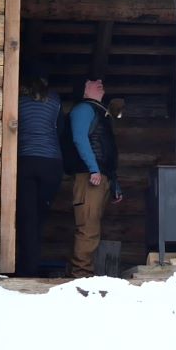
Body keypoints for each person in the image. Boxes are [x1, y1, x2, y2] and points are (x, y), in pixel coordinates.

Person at [67, 78, 122, 278]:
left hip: (100, 176)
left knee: (92, 227)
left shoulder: (100, 111)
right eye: (92, 81)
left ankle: (83, 272)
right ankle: (81, 276)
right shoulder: (83, 109)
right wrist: (93, 169)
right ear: (83, 89)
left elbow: (107, 150)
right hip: (90, 177)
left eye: (100, 80)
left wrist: (114, 182)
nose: (99, 82)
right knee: (88, 228)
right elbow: (79, 138)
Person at [15, 62, 64, 277]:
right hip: (51, 164)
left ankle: (26, 268)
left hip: (26, 161)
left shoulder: (17, 100)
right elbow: (60, 130)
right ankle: (32, 262)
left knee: (26, 219)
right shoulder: (55, 100)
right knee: (40, 216)